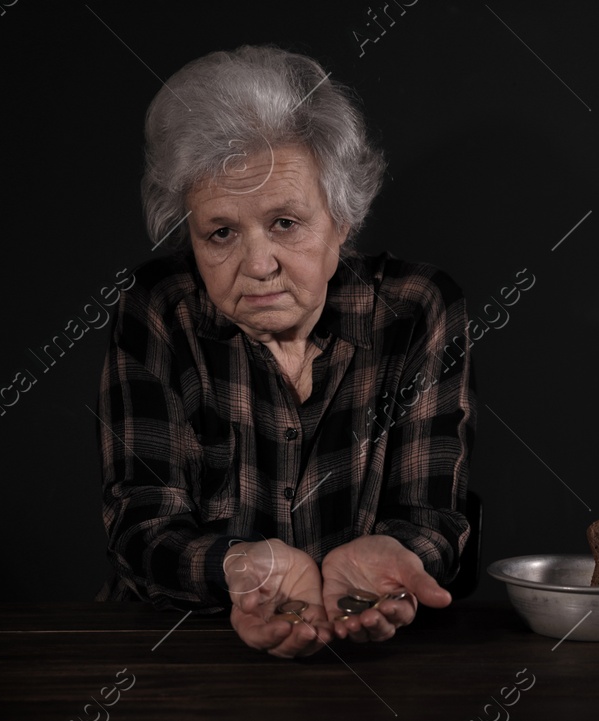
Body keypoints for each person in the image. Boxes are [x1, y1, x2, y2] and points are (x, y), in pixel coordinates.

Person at [95, 45, 475, 659]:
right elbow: (141, 525)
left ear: (341, 220)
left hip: (374, 659)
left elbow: (432, 515)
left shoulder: (416, 308)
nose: (258, 264)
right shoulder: (159, 310)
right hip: (182, 653)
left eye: (285, 223)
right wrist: (241, 570)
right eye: (221, 232)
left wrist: (399, 561)